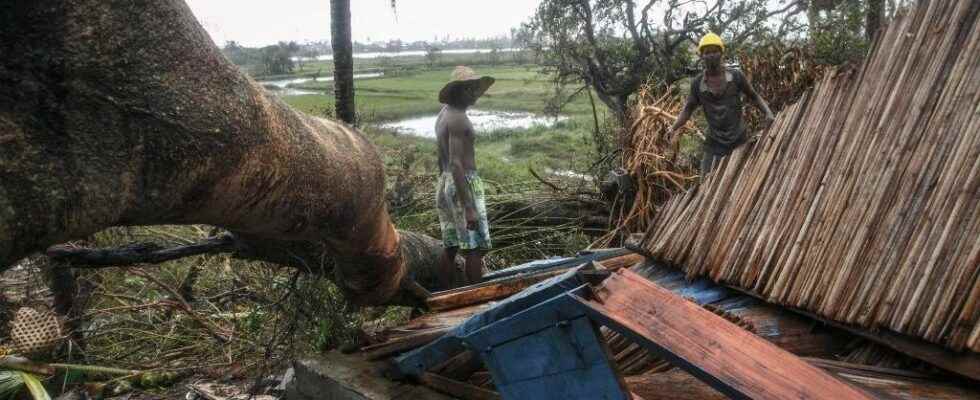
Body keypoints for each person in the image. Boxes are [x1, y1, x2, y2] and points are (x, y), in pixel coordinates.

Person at [669, 33, 776, 174]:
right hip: (714, 145)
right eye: (707, 52)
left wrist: (768, 113)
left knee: (744, 176)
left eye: (715, 51)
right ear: (702, 56)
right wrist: (673, 128)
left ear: (721, 53)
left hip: (739, 140)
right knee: (705, 184)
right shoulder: (698, 84)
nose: (711, 55)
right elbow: (688, 109)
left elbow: (754, 96)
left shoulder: (736, 76)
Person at [434, 66, 495, 288]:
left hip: (444, 183)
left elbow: (442, 161)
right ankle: (476, 304)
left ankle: (444, 296)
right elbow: (455, 162)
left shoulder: (443, 114)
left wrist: (446, 189)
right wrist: (468, 206)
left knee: (450, 246)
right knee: (474, 247)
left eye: (474, 88)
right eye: (469, 89)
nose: (474, 93)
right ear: (458, 91)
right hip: (462, 182)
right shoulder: (458, 118)